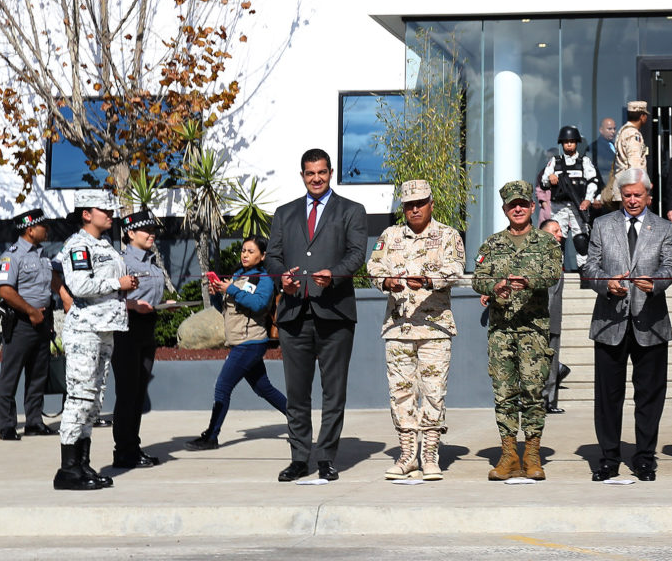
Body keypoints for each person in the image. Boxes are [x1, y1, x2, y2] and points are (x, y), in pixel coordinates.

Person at [268, 148, 367, 483]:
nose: (316, 178)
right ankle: (299, 458)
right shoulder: (284, 213)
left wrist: (334, 273)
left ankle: (326, 458)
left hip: (335, 313)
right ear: (302, 175)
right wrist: (283, 277)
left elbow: (356, 254)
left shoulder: (351, 210)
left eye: (321, 172)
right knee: (297, 394)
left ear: (331, 172)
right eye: (310, 173)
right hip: (295, 313)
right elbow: (272, 256)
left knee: (333, 393)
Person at [366, 179, 466, 481]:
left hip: (434, 327)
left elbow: (457, 269)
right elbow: (373, 268)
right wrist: (387, 282)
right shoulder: (390, 235)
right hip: (398, 328)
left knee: (433, 393)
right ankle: (408, 454)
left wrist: (427, 279)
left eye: (420, 203)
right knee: (401, 394)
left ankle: (430, 455)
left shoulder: (447, 235)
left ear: (431, 204)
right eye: (409, 205)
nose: (415, 209)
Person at [581, 168, 672, 481]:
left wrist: (657, 283)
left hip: (651, 322)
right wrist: (605, 283)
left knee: (649, 395)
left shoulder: (663, 227)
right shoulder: (602, 224)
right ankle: (609, 458)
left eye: (638, 195)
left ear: (648, 195)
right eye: (627, 195)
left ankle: (645, 457)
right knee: (608, 396)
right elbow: (590, 267)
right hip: (610, 321)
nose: (632, 200)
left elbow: (670, 265)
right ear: (620, 196)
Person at [473, 181, 563, 480]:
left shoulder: (546, 242)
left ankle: (532, 454)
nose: (518, 208)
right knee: (504, 393)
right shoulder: (492, 244)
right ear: (505, 209)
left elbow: (553, 272)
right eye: (513, 205)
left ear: (532, 206)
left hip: (533, 330)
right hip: (501, 330)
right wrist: (492, 285)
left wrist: (530, 280)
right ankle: (509, 455)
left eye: (523, 203)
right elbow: (478, 277)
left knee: (533, 393)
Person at [54, 189, 137, 491]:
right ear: (86, 214)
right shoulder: (77, 245)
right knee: (79, 396)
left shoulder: (107, 246)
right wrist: (118, 282)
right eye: (104, 210)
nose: (110, 215)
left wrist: (123, 288)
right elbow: (78, 284)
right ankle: (67, 469)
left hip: (106, 327)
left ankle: (82, 463)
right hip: (85, 329)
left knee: (94, 398)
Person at [186, 237, 288, 450]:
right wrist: (217, 295)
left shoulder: (264, 279)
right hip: (240, 342)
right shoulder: (237, 276)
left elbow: (260, 305)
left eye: (251, 251)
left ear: (262, 256)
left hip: (250, 342)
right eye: (243, 250)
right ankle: (298, 420)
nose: (244, 255)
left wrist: (231, 290)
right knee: (264, 388)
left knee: (222, 387)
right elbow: (226, 310)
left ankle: (211, 436)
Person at [0, 208, 61, 440]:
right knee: (10, 375)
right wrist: (31, 311)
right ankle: (7, 426)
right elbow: (5, 290)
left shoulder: (43, 255)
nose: (48, 230)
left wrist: (63, 296)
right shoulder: (11, 256)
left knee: (37, 375)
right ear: (30, 229)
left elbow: (52, 280)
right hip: (21, 322)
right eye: (43, 226)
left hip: (42, 321)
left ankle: (34, 421)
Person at [111, 210, 167, 469]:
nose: (151, 234)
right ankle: (123, 450)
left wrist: (166, 305)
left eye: (153, 230)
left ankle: (133, 447)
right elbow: (108, 298)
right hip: (126, 330)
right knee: (127, 392)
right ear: (130, 233)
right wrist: (133, 306)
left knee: (138, 390)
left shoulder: (153, 264)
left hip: (147, 328)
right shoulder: (119, 262)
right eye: (146, 230)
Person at [540, 126, 598, 248]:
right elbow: (543, 183)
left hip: (578, 206)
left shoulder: (584, 161)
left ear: (577, 143)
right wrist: (550, 178)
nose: (569, 144)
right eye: (566, 142)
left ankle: (583, 267)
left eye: (572, 141)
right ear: (561, 144)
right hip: (559, 207)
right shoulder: (555, 161)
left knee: (581, 240)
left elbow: (593, 181)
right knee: (557, 239)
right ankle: (556, 266)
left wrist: (588, 199)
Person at [540, 218, 571, 414]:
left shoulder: (557, 256)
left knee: (552, 361)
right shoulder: (535, 256)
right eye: (556, 231)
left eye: (560, 231)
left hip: (554, 317)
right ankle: (536, 401)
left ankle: (550, 401)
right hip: (539, 317)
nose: (560, 234)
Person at [598, 102, 649, 208]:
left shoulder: (623, 131)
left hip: (623, 186)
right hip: (631, 190)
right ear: (642, 116)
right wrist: (640, 188)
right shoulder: (633, 134)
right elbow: (635, 164)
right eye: (645, 115)